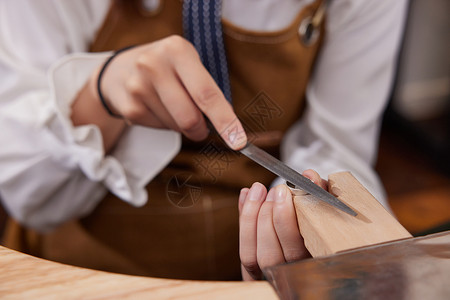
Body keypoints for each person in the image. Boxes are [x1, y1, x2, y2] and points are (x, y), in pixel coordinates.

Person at [0, 0, 408, 280]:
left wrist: (316, 246)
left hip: (256, 280)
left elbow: (336, 149)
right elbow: (32, 200)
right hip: (79, 271)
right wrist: (100, 94)